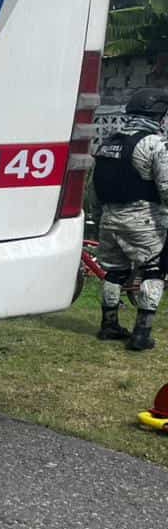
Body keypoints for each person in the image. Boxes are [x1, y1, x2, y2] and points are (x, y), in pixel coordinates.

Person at [91, 87, 168, 351]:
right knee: (154, 269)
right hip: (143, 219)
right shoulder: (154, 143)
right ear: (158, 113)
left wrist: (98, 215)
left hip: (109, 217)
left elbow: (94, 185)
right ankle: (141, 334)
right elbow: (167, 187)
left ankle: (109, 325)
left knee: (115, 272)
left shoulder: (108, 141)